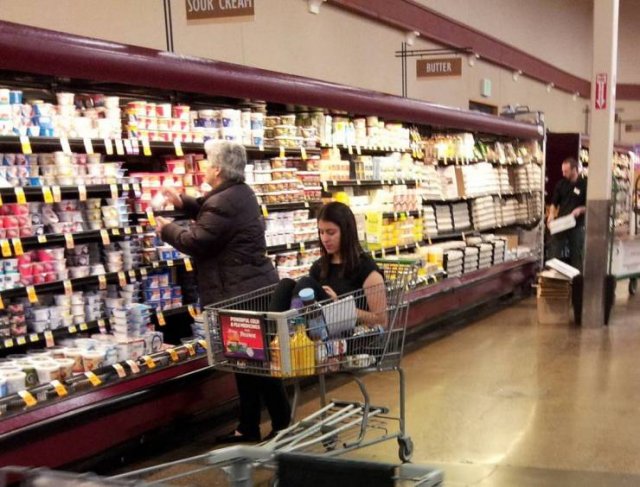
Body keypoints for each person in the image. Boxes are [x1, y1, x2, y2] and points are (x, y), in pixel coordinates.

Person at [156, 140, 290, 443]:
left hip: (241, 294)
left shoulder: (226, 201)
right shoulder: (237, 193)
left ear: (217, 168)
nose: (202, 165)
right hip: (248, 290)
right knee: (248, 363)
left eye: (206, 161)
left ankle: (281, 424)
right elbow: (210, 209)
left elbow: (198, 241)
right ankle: (250, 426)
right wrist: (183, 202)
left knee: (254, 364)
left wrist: (166, 229)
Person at [270, 202, 387, 326]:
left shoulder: (366, 268)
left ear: (346, 232)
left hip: (351, 335)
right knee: (285, 284)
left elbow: (381, 321)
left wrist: (340, 305)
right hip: (319, 332)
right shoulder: (318, 267)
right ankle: (273, 335)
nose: (325, 238)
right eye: (321, 232)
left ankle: (293, 327)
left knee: (306, 282)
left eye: (331, 233)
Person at [547, 157, 587, 271]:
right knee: (554, 252)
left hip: (577, 225)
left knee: (576, 255)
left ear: (574, 170)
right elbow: (554, 203)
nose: (563, 174)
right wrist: (551, 215)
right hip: (562, 223)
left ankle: (576, 281)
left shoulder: (584, 184)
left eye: (566, 171)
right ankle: (553, 277)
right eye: (563, 171)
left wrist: (580, 210)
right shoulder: (561, 184)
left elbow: (588, 206)